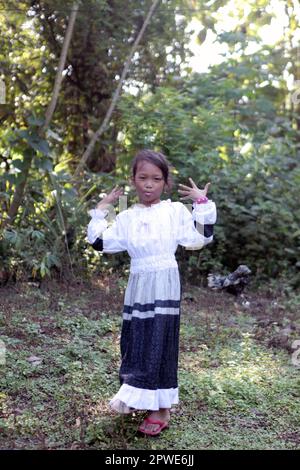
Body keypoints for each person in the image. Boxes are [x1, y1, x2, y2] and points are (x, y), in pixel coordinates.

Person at [87, 149, 217, 436]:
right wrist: (102, 208)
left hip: (164, 280)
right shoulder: (127, 217)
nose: (148, 184)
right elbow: (99, 242)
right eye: (142, 177)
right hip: (138, 283)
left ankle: (161, 408)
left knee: (160, 338)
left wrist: (202, 203)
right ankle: (139, 395)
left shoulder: (173, 212)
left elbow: (200, 237)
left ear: (165, 183)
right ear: (133, 180)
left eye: (156, 179)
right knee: (136, 340)